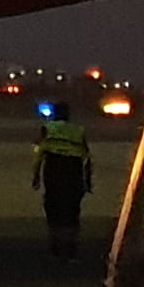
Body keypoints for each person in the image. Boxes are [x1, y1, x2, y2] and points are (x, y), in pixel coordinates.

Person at [32, 100, 92, 259]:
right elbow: (87, 157)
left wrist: (36, 176)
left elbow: (40, 154)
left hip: (54, 169)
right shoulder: (78, 131)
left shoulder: (48, 129)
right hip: (74, 170)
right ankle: (71, 246)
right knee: (72, 211)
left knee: (54, 209)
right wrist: (88, 180)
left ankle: (56, 245)